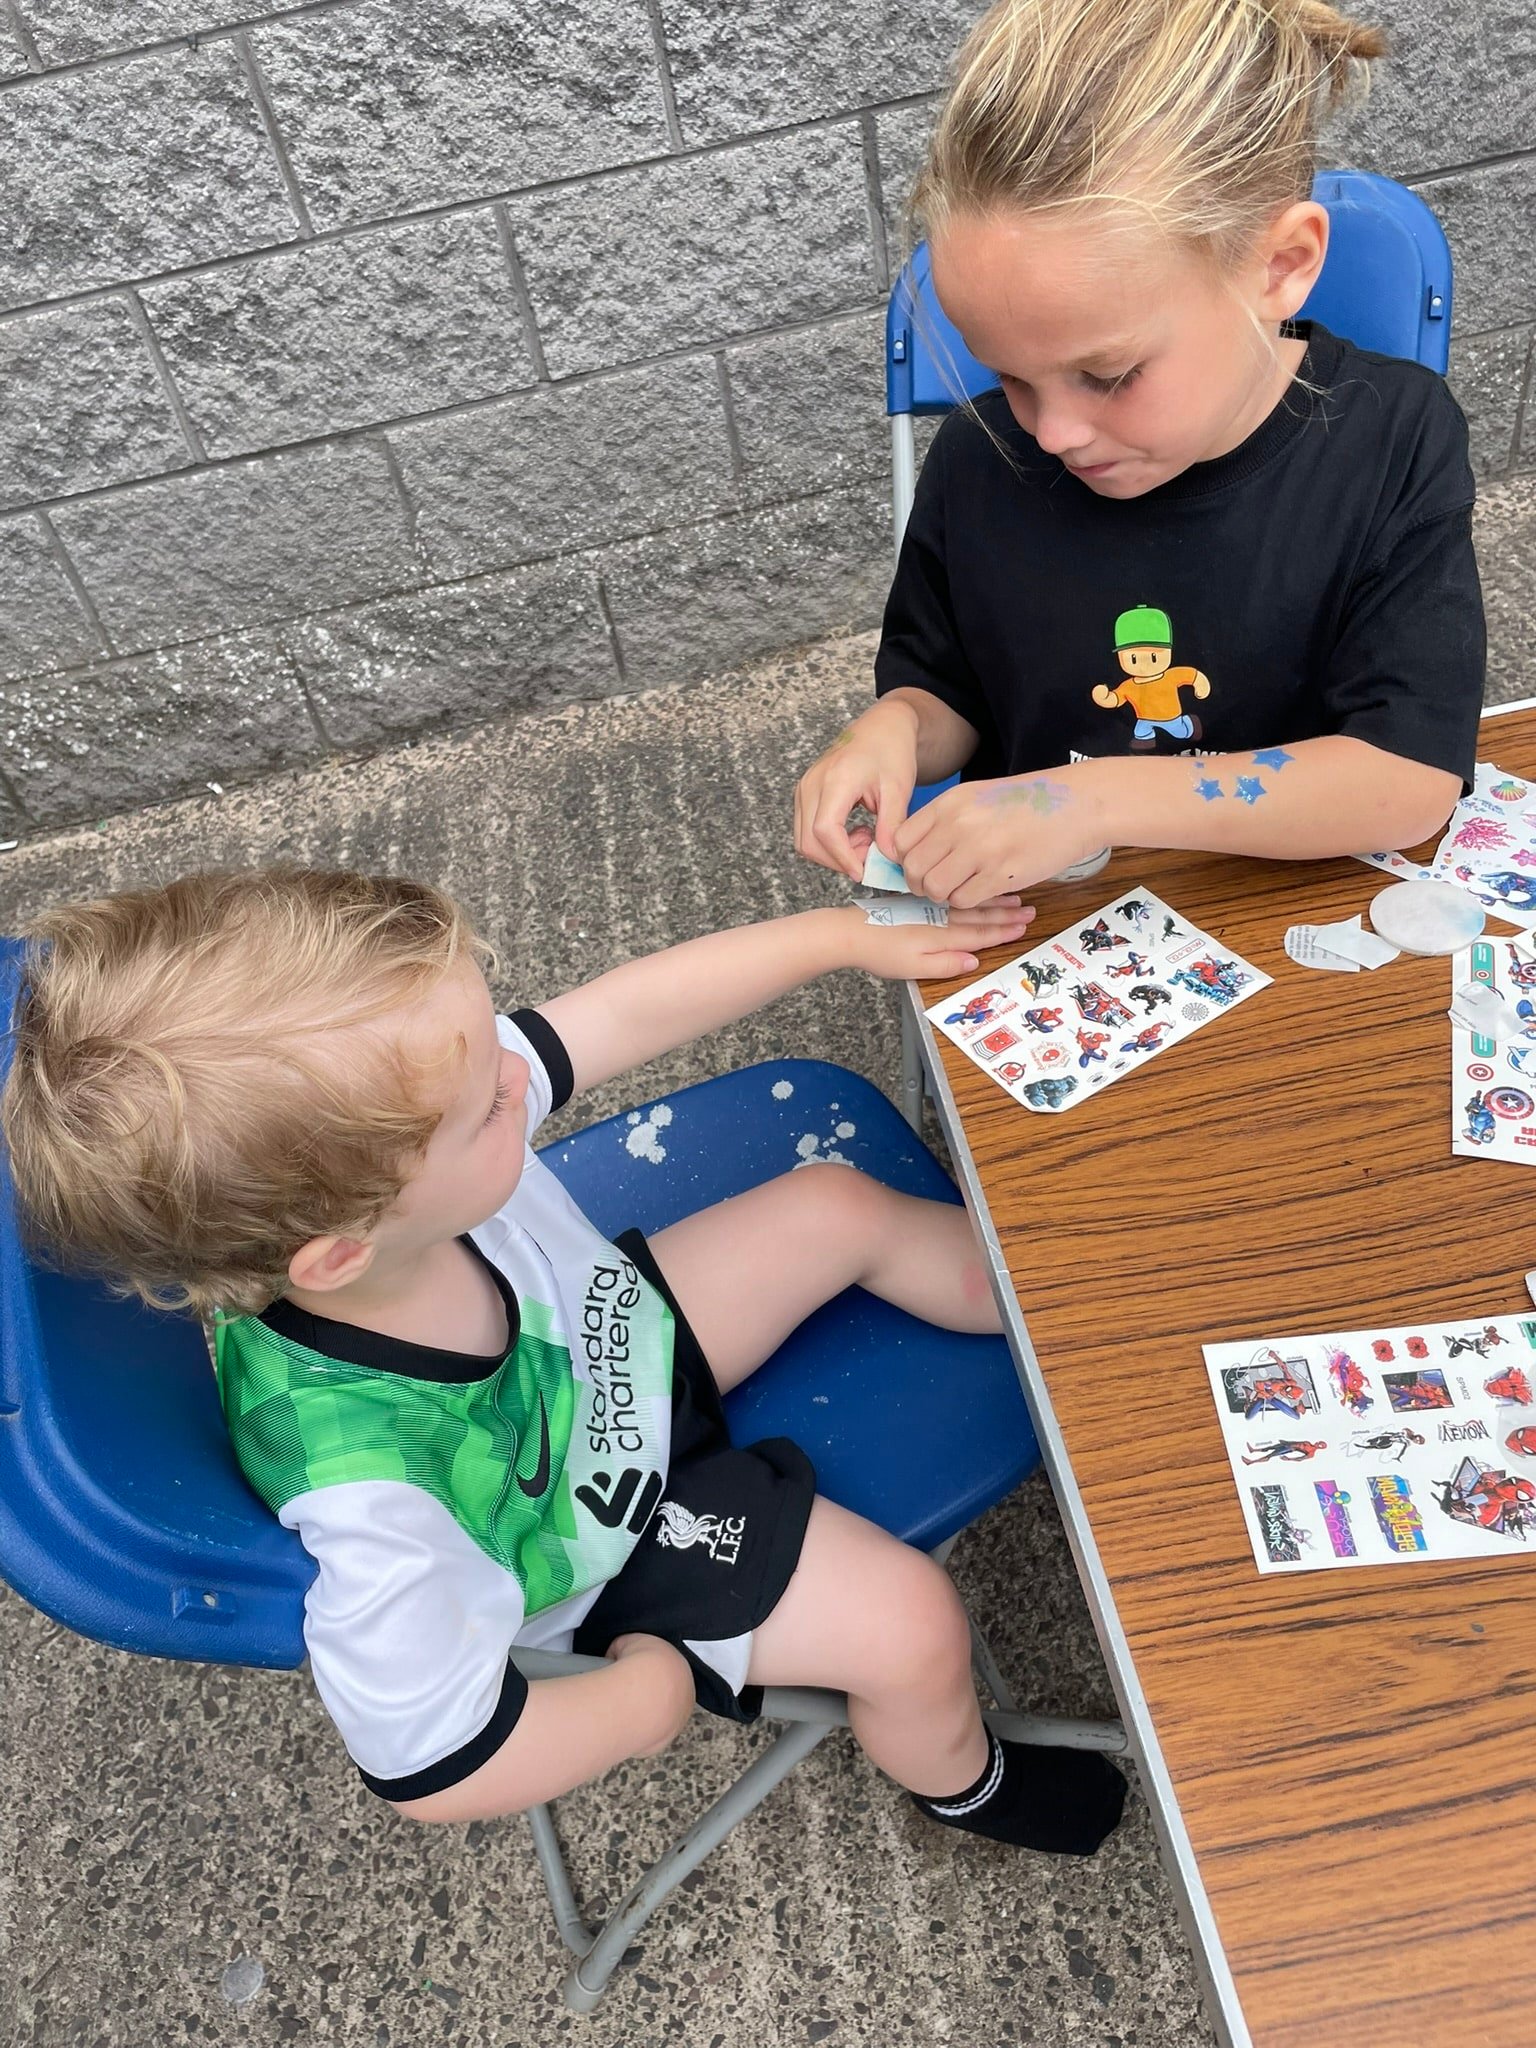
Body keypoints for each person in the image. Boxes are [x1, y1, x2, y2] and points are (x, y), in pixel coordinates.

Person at [0, 868, 1127, 1854]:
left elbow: (621, 1011)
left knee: (834, 1205)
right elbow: (433, 1766)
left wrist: (836, 935)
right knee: (913, 1625)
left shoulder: (414, 1139)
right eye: (487, 1102)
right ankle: (965, 1783)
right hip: (604, 1533)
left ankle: (1083, 1298)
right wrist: (648, 1694)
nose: (512, 1071)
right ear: (340, 1250)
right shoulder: (370, 1488)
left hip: (607, 1345)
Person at [795, 0, 1484, 902]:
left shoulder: (1394, 441)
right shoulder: (978, 461)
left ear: (1280, 267)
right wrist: (886, 729)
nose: (1051, 434)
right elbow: (944, 695)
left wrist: (1094, 800)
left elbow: (1405, 778)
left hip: (1287, 908)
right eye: (1007, 376)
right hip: (1049, 917)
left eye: (1109, 374)